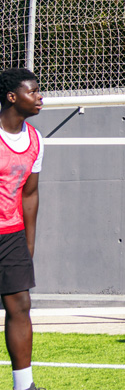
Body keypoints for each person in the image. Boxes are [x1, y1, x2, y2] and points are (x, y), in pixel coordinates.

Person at [0, 68, 43, 390]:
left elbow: (29, 193)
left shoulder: (35, 139)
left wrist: (27, 245)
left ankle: (23, 385)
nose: (40, 97)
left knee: (20, 305)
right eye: (33, 91)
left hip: (11, 235)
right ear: (12, 97)